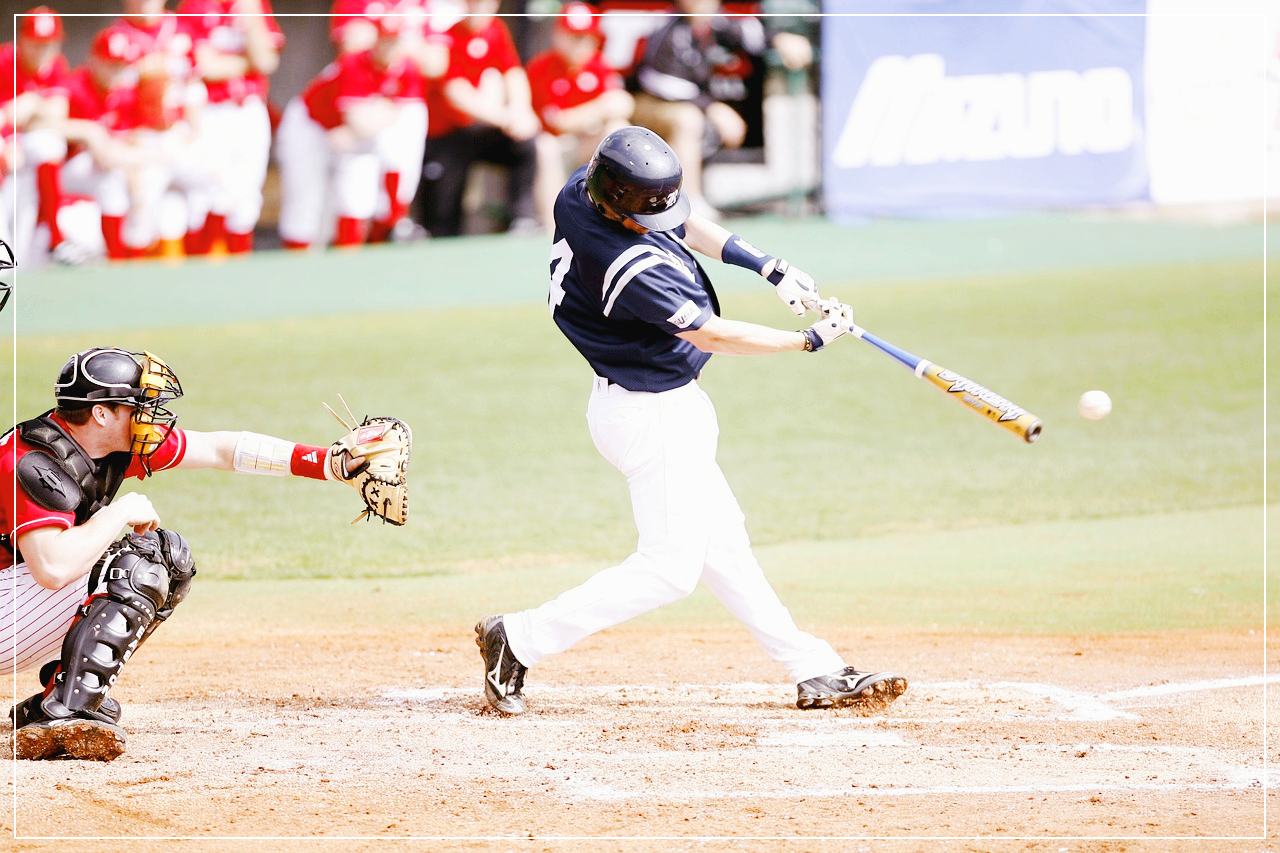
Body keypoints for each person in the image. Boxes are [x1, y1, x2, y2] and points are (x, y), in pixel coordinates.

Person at [475, 126, 908, 716]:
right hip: (650, 413)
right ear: (617, 206)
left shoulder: (584, 191)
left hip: (653, 406)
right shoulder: (628, 265)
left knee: (724, 545)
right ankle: (519, 638)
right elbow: (712, 335)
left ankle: (813, 668)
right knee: (669, 570)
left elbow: (682, 222)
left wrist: (766, 265)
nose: (658, 221)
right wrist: (807, 339)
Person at [2, 347, 384, 761]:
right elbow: (53, 568)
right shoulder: (31, 462)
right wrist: (120, 511)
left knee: (168, 557)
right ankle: (64, 713)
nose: (150, 416)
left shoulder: (102, 444)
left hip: (13, 604)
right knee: (139, 566)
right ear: (101, 413)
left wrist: (329, 463)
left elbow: (220, 449)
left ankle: (61, 694)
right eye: (138, 406)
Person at [628, 0, 812, 220]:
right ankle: (689, 203)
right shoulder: (668, 27)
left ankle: (677, 193)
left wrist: (781, 39)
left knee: (703, 124)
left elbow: (751, 34)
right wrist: (711, 107)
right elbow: (658, 81)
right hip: (647, 102)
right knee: (689, 120)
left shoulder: (717, 23)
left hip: (692, 106)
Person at [276, 13, 428, 249]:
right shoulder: (355, 62)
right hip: (310, 127)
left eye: (395, 41)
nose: (390, 47)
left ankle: (350, 262)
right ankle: (296, 264)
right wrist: (373, 118)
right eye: (386, 40)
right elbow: (357, 121)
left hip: (351, 136)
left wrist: (365, 123)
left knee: (356, 199)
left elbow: (391, 116)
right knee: (305, 205)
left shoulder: (407, 68)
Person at [414, 0, 542, 237]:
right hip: (445, 135)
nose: (477, 8)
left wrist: (521, 110)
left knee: (525, 143)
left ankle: (523, 219)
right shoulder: (445, 33)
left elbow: (512, 71)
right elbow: (455, 92)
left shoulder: (495, 29)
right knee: (442, 222)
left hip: (478, 129)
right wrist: (506, 118)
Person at [177, 0, 285, 255]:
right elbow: (203, 67)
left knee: (247, 194)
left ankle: (238, 266)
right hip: (210, 109)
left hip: (250, 107)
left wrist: (249, 12)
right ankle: (198, 265)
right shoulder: (194, 5)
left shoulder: (252, 4)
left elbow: (267, 61)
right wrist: (248, 62)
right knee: (209, 192)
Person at [526, 2, 633, 233]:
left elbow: (623, 104)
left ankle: (621, 217)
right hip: (557, 148)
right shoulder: (542, 67)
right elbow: (559, 123)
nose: (581, 44)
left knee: (617, 130)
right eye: (574, 37)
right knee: (546, 147)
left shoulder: (599, 64)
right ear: (558, 36)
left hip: (586, 144)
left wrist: (593, 113)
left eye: (586, 38)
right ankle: (552, 226)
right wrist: (600, 108)